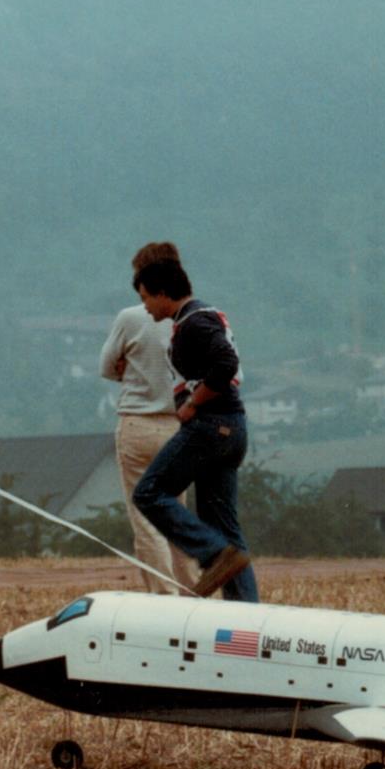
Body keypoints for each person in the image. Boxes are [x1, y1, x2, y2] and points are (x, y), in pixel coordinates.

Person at [129, 247, 258, 601]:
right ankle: (249, 615)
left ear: (163, 293)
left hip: (210, 427)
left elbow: (225, 363)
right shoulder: (201, 316)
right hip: (232, 428)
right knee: (226, 529)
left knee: (149, 492)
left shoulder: (194, 322)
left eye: (146, 299)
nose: (145, 307)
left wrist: (194, 403)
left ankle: (212, 553)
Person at [99, 242, 198, 595]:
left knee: (146, 520)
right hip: (178, 426)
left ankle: (164, 596)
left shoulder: (130, 318)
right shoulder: (191, 318)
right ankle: (191, 589)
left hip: (138, 424)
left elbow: (107, 366)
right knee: (176, 513)